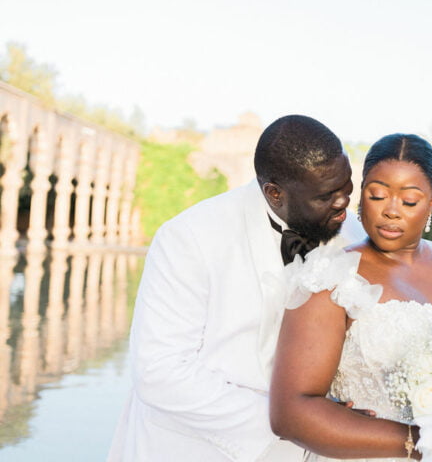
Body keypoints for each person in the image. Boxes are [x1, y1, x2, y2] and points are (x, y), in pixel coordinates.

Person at [108, 115, 365, 462]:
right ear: (274, 193)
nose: (343, 203)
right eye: (326, 196)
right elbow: (160, 372)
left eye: (346, 187)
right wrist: (297, 423)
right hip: (195, 449)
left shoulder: (351, 236)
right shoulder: (188, 237)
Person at [270, 134, 432, 462]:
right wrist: (427, 441)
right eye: (377, 195)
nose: (390, 211)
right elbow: (290, 413)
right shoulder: (330, 277)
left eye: (409, 201)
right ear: (361, 195)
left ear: (431, 203)